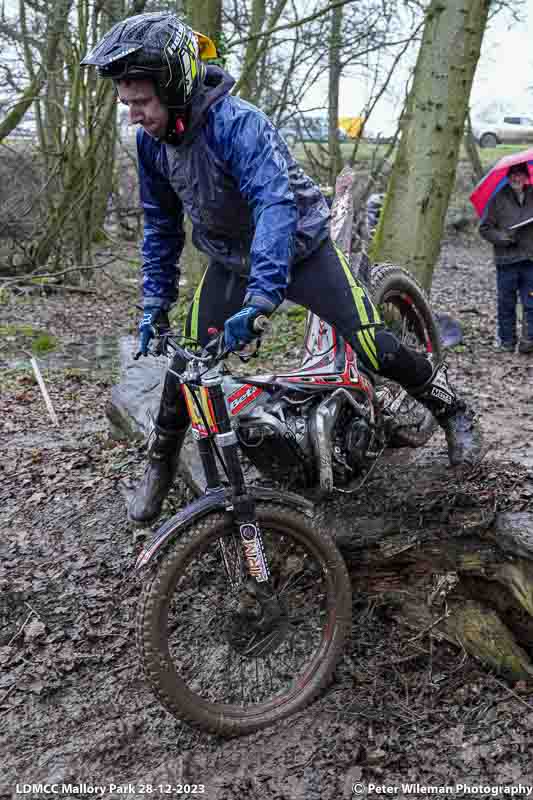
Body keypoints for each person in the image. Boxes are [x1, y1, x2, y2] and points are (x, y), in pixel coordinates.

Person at [81, 11, 483, 525]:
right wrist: (153, 306)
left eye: (140, 101)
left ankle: (452, 409)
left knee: (374, 348)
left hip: (302, 251)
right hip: (230, 259)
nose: (133, 114)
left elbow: (275, 208)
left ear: (174, 84)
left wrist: (261, 298)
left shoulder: (239, 125)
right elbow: (161, 229)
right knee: (186, 366)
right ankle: (159, 463)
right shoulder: (151, 144)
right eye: (126, 102)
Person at [480, 162, 533, 353]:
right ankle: (507, 342)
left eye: (519, 175)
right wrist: (502, 238)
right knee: (506, 303)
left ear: (526, 177)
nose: (516, 178)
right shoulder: (498, 199)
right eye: (512, 175)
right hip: (506, 261)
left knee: (531, 302)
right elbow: (484, 229)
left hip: (530, 259)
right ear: (508, 178)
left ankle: (529, 341)